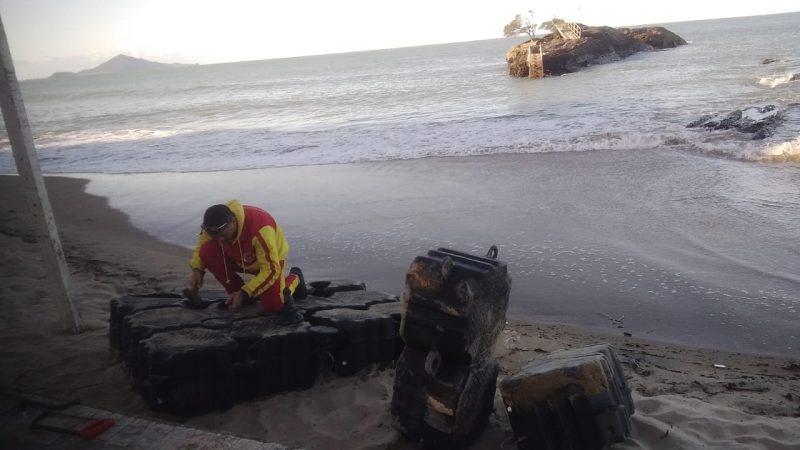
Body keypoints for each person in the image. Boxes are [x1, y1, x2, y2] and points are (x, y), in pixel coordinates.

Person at [187, 200, 306, 315]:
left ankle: (295, 278)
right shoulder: (214, 226)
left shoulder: (262, 230)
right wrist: (198, 269)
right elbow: (203, 242)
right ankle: (236, 293)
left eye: (223, 235)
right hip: (241, 257)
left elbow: (271, 270)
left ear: (233, 221)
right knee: (206, 251)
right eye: (216, 237)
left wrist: (245, 293)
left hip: (271, 262)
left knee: (274, 305)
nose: (220, 240)